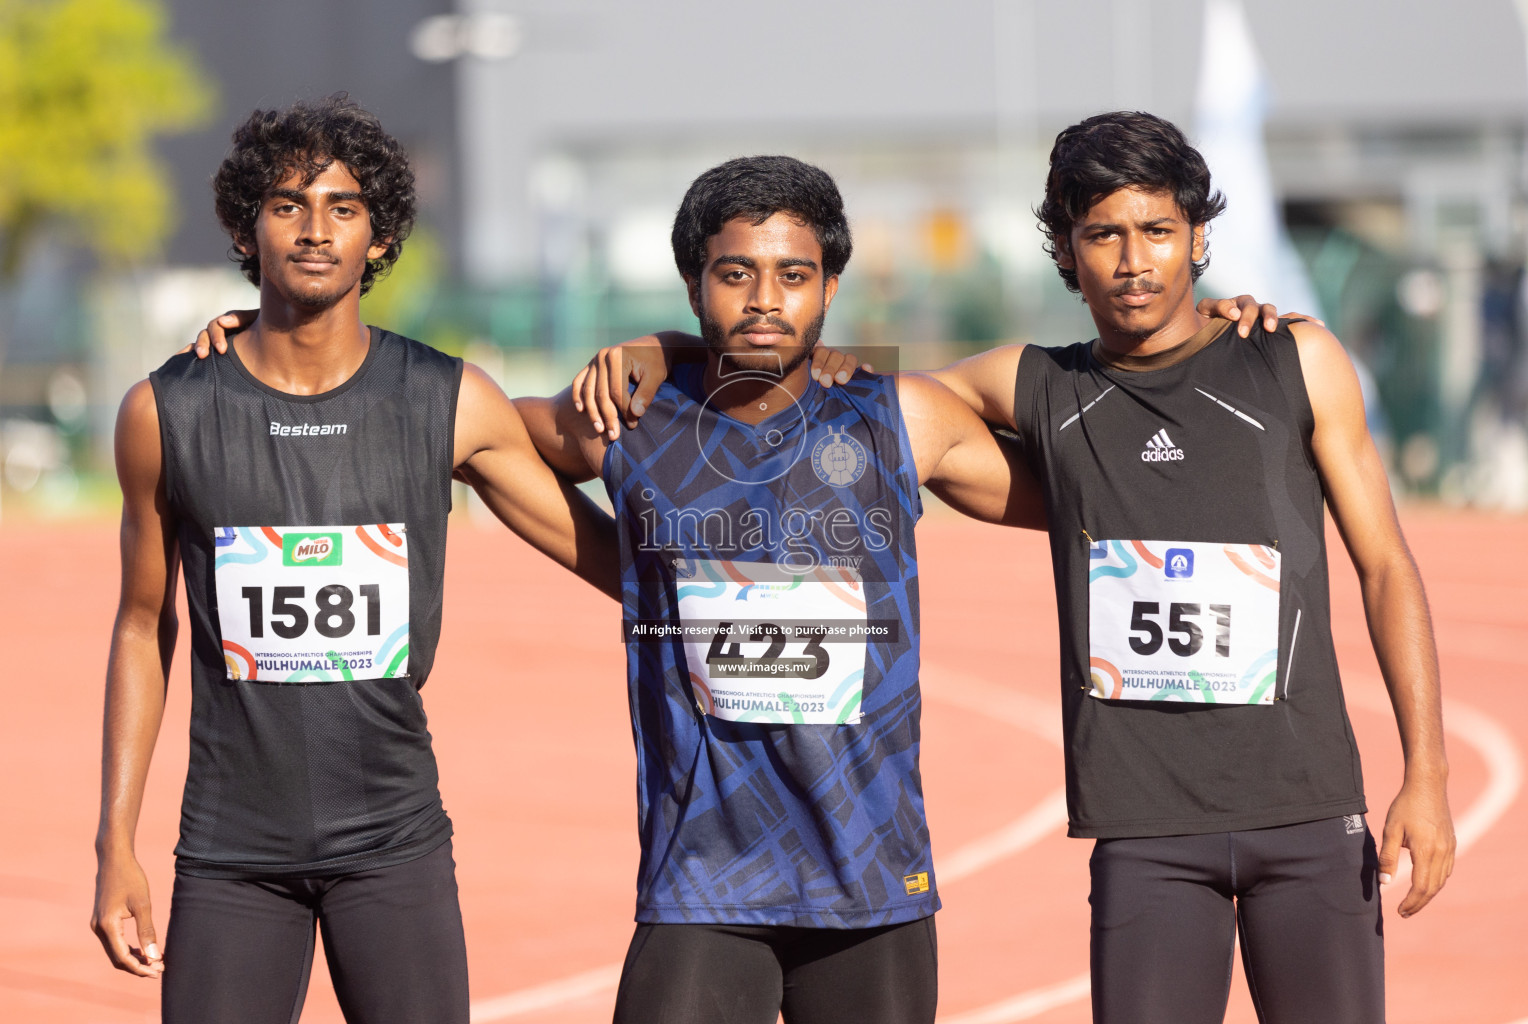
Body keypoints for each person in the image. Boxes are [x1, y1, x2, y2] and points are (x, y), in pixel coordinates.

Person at [576, 114, 1455, 1023]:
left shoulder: (1298, 362)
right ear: (1066, 255)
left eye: (1157, 231)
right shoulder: (1037, 388)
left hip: (1310, 812)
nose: (1133, 260)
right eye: (1102, 235)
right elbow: (838, 391)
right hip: (1144, 829)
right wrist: (671, 348)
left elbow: (1386, 566)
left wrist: (1425, 777)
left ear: (1200, 239)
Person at [91, 95, 618, 1024]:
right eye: (288, 205)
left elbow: (612, 561)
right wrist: (114, 843)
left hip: (395, 843)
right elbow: (143, 625)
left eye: (343, 207)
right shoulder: (163, 413)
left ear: (380, 237)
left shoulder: (447, 399)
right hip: (229, 852)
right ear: (245, 227)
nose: (316, 229)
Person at [515, 155, 1051, 1024]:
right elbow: (469, 434)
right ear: (695, 285)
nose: (765, 299)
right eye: (736, 274)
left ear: (831, 287)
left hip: (871, 882)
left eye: (794, 275)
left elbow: (1102, 475)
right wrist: (268, 331)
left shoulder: (901, 417)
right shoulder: (629, 421)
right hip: (702, 880)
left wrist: (1200, 341)